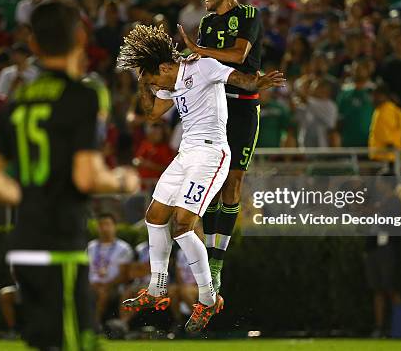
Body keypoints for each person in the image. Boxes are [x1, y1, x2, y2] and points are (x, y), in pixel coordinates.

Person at [0, 0, 138, 351]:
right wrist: (123, 180)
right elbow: (86, 178)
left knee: (45, 343)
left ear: (33, 44)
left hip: (25, 244)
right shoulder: (83, 94)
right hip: (60, 243)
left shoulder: (18, 101)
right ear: (80, 37)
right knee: (77, 343)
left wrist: (30, 196)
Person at [117, 24, 284, 332]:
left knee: (182, 225)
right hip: (186, 154)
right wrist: (144, 83)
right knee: (154, 217)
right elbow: (152, 113)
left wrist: (259, 81)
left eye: (155, 78)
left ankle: (208, 299)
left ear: (167, 66)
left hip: (211, 154)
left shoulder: (202, 66)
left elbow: (240, 80)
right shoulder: (170, 81)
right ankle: (157, 288)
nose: (156, 85)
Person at [178, 0, 264, 293]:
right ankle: (210, 257)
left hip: (243, 107)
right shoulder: (206, 24)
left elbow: (239, 55)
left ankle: (217, 261)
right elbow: (202, 65)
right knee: (212, 184)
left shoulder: (248, 14)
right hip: (214, 111)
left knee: (234, 182)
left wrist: (199, 52)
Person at [87, 213, 134, 326]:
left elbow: (124, 275)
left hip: (113, 287)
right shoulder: (90, 247)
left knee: (102, 293)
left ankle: (94, 324)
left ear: (115, 227)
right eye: (101, 225)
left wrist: (106, 285)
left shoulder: (123, 248)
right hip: (91, 285)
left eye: (107, 224)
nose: (104, 228)